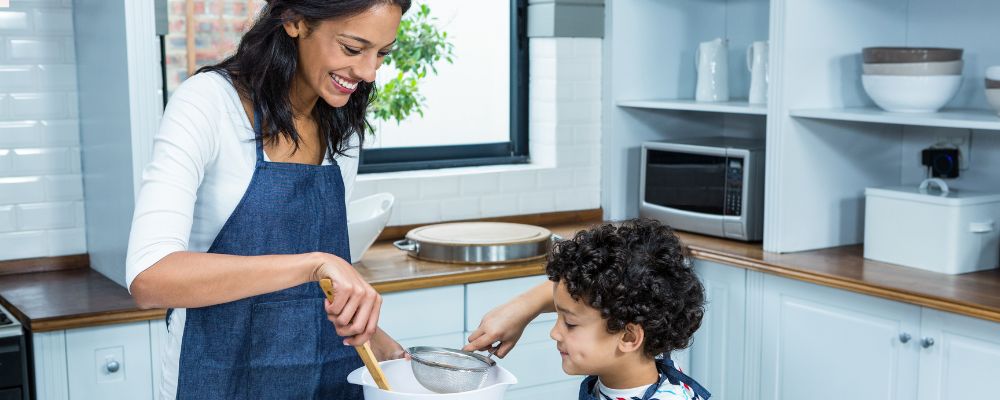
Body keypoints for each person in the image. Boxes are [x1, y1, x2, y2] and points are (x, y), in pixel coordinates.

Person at [126, 1, 410, 398]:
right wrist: (314, 264)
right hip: (222, 378)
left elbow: (323, 284)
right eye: (351, 48)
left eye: (381, 53)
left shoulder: (341, 128)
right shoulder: (208, 104)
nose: (367, 72)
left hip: (327, 378)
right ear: (295, 21)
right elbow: (150, 278)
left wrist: (376, 339)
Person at [467, 219, 710, 399]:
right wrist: (522, 309)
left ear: (628, 336)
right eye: (558, 314)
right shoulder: (639, 354)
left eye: (570, 323)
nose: (555, 333)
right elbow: (585, 299)